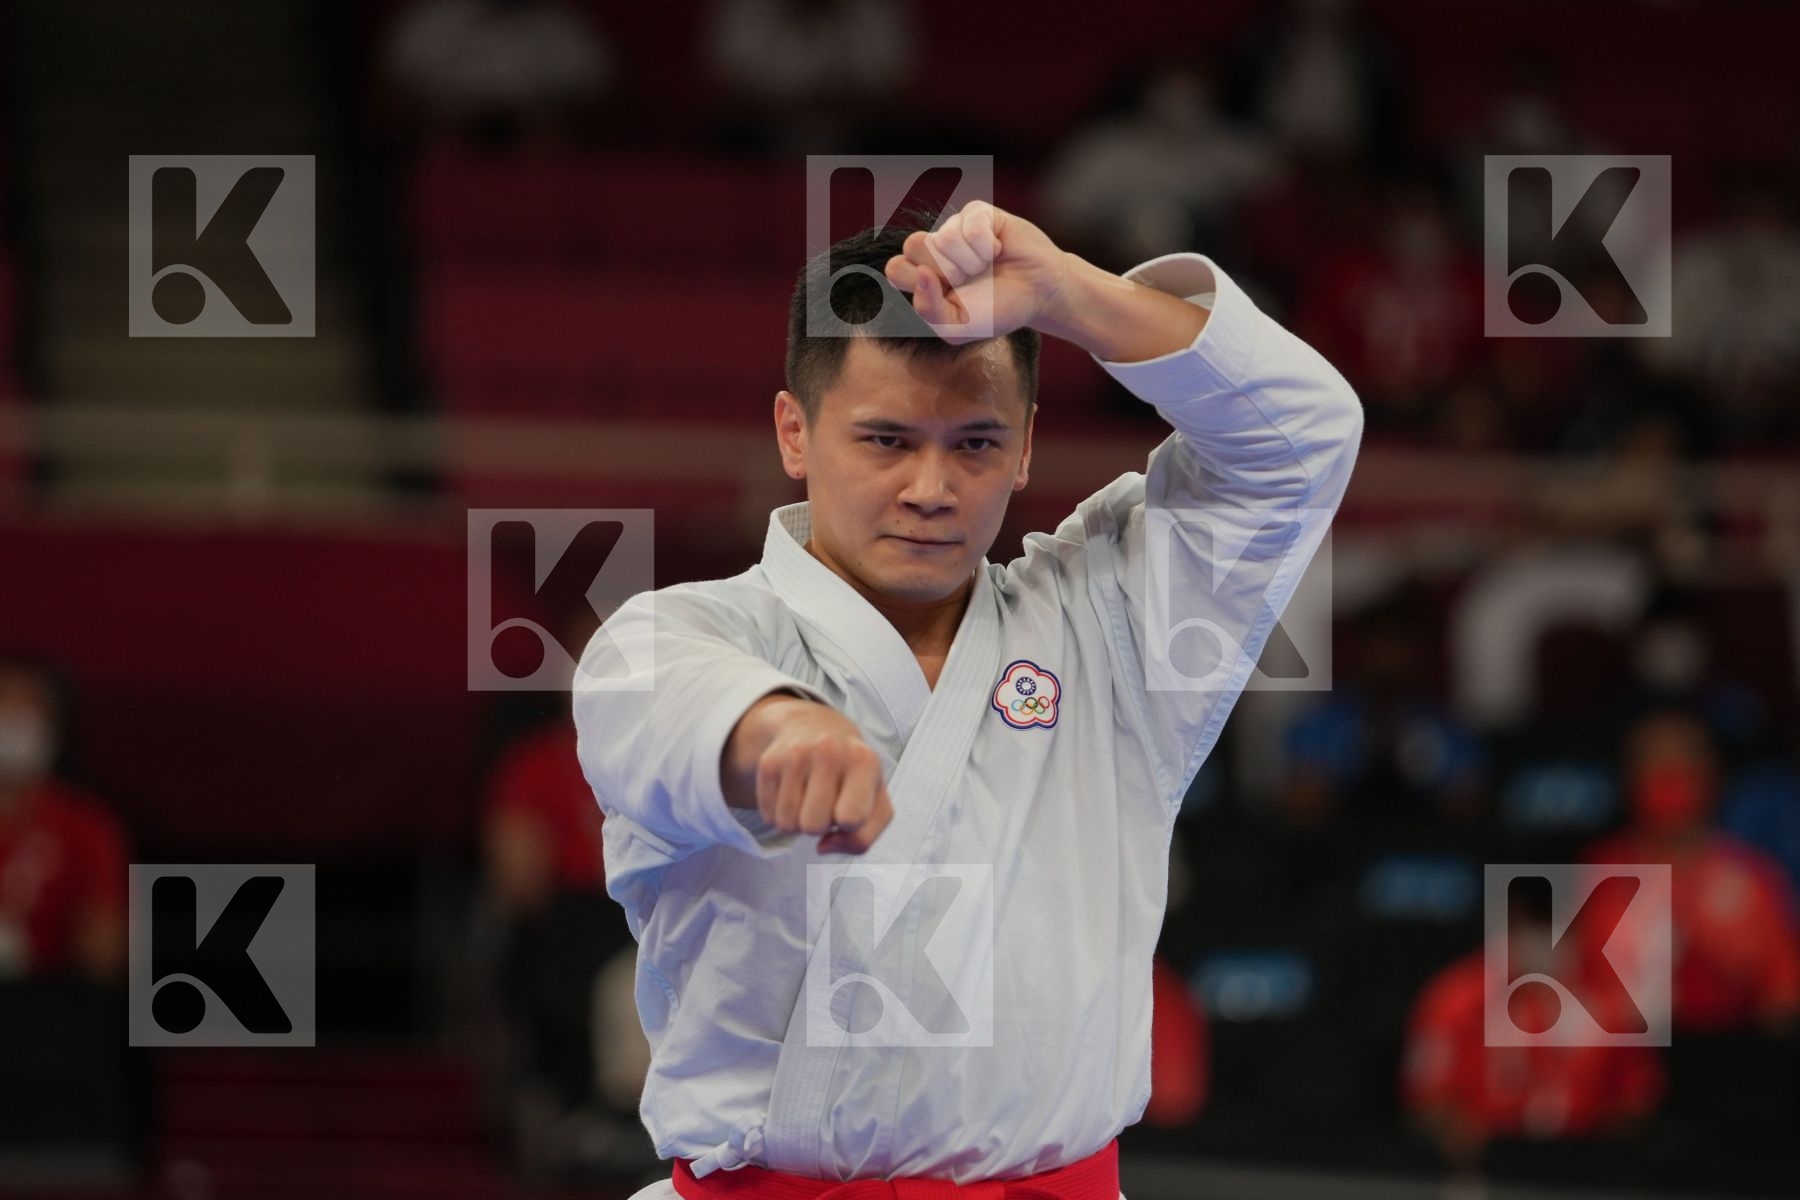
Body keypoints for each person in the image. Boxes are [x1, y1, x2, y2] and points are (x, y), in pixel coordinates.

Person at [575, 199, 1362, 1195]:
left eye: (976, 445)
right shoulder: (679, 636)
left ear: (1028, 444)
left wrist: (1072, 293)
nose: (932, 488)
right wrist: (773, 732)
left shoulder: (1111, 625)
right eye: (887, 441)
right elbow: (670, 709)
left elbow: (1302, 436)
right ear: (794, 431)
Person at [0, 656, 127, 981]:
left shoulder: (84, 825)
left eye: (27, 709)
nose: (12, 721)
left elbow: (103, 952)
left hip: (42, 1005)